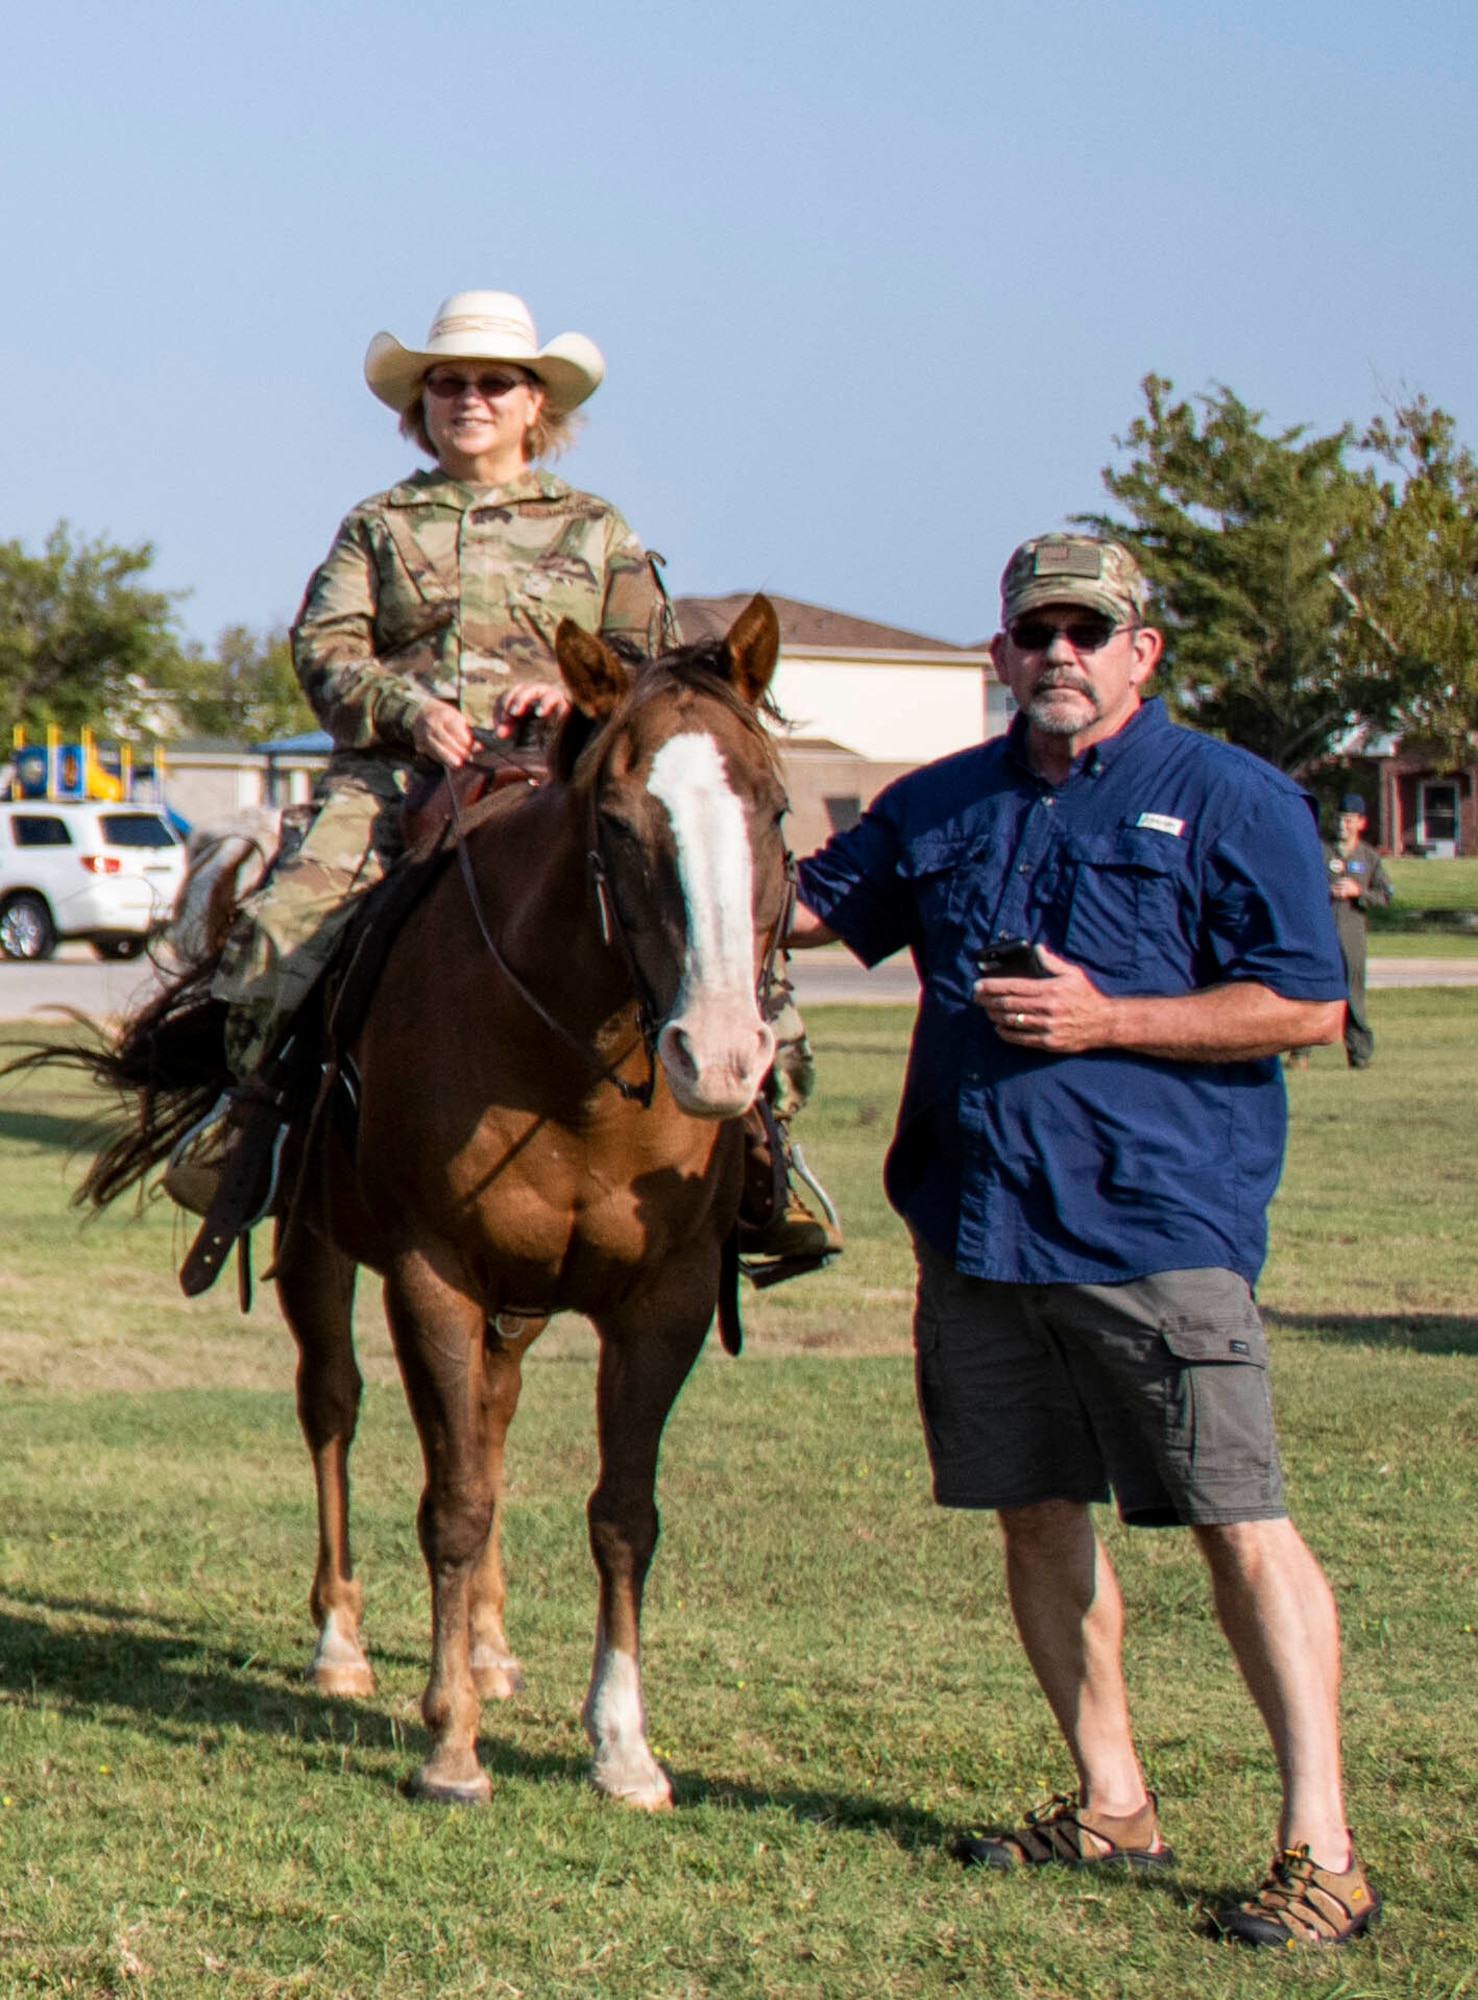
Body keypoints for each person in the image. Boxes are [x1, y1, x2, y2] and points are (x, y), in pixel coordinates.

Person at [789, 534, 1380, 1947]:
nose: (1057, 652)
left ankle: (1324, 1852)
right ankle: (1108, 1801)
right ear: (997, 654)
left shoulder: (1231, 798)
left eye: (1086, 629)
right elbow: (796, 911)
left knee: (1239, 1526)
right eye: (1033, 630)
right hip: (976, 1228)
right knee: (1035, 1510)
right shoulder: (937, 802)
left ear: (1139, 652)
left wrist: (1109, 1019)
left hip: (1153, 1227)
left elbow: (1303, 1005)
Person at [174, 291, 835, 1279]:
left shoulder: (598, 527)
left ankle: (762, 1150)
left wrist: (575, 687)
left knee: (705, 910)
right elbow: (324, 651)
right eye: (448, 383)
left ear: (536, 405)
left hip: (562, 778)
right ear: (420, 405)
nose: (469, 398)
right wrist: (411, 711)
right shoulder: (377, 525)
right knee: (278, 924)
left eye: (493, 382)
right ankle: (252, 1132)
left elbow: (653, 660)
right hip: (398, 782)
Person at [1289, 794, 1392, 1070]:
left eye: (1349, 819)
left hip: (1352, 935)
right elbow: (1298, 888)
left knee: (1354, 996)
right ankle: (1300, 1053)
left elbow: (1385, 895)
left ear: (1360, 822)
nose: (1342, 824)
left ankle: (1359, 1055)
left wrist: (1360, 893)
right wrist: (1326, 892)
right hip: (1320, 934)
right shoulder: (1319, 852)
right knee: (1312, 992)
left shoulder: (1368, 857)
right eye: (1339, 818)